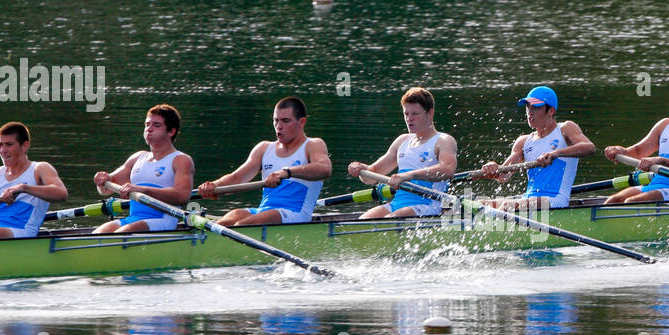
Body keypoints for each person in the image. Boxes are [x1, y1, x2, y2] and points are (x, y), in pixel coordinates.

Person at [198, 97, 332, 225]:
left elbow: (325, 169)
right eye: (276, 120)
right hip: (264, 211)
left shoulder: (313, 145)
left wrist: (286, 172)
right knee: (228, 219)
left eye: (285, 121)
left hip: (295, 213)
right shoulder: (264, 148)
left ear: (301, 122)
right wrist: (214, 186)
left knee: (243, 224)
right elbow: (237, 177)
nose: (279, 126)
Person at [346, 87, 457, 219]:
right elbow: (371, 176)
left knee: (393, 218)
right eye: (406, 114)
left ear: (430, 113)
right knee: (363, 220)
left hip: (431, 205)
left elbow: (448, 170)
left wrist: (410, 175)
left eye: (415, 114)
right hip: (398, 204)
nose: (409, 119)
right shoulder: (402, 141)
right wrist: (362, 169)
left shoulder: (443, 140)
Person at [477, 85, 595, 210]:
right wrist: (493, 167)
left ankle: (495, 225)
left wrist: (555, 153)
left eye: (536, 107)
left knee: (507, 206)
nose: (530, 112)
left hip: (555, 200)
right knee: (480, 204)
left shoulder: (565, 129)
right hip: (529, 199)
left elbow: (589, 147)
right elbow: (503, 176)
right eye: (528, 106)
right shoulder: (523, 142)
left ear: (551, 111)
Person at [92, 105, 194, 234]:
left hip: (162, 220)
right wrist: (102, 180)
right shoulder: (137, 158)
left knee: (119, 234)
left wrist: (142, 190)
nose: (149, 129)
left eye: (156, 125)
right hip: (133, 219)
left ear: (171, 132)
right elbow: (105, 190)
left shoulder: (181, 160)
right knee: (97, 234)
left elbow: (182, 196)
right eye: (147, 125)